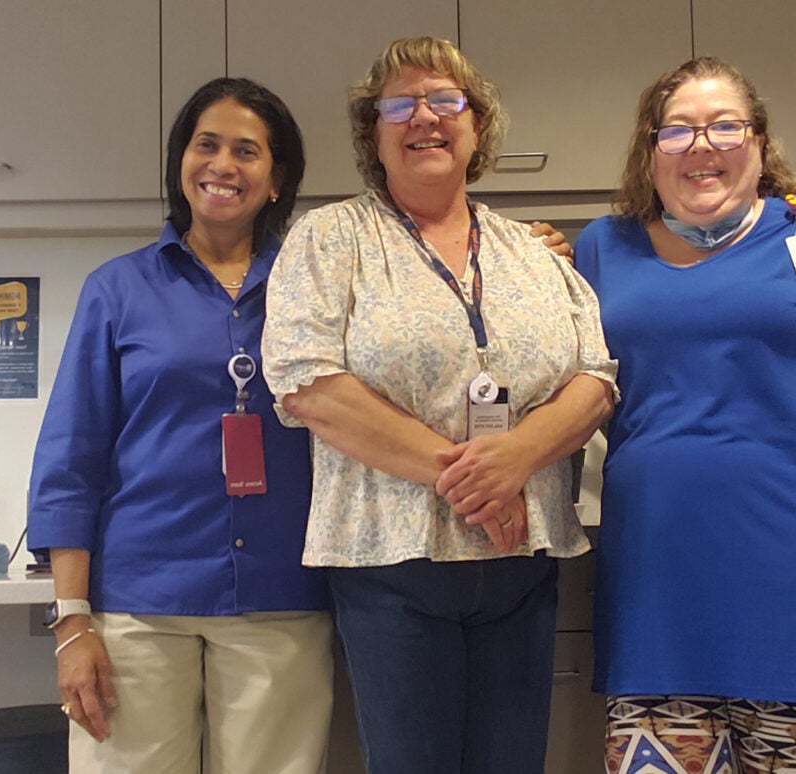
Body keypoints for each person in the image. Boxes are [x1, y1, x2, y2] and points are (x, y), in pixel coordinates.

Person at [261, 36, 618, 774]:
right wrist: (478, 484)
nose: (425, 115)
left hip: (523, 564)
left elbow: (596, 378)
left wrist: (519, 454)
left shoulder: (535, 251)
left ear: (476, 125)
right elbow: (306, 383)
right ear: (374, 134)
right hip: (391, 565)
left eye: (445, 99)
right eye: (400, 103)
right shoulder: (328, 240)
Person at [573, 56, 796, 773]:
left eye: (725, 125)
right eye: (677, 131)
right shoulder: (604, 249)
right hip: (659, 595)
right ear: (650, 151)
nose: (702, 145)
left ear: (759, 143)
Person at [27, 77, 333, 774]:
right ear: (180, 162)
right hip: (139, 602)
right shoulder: (117, 289)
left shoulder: (316, 287)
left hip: (281, 595)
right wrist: (71, 620)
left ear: (277, 178)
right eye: (207, 145)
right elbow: (72, 455)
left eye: (247, 151)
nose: (223, 165)